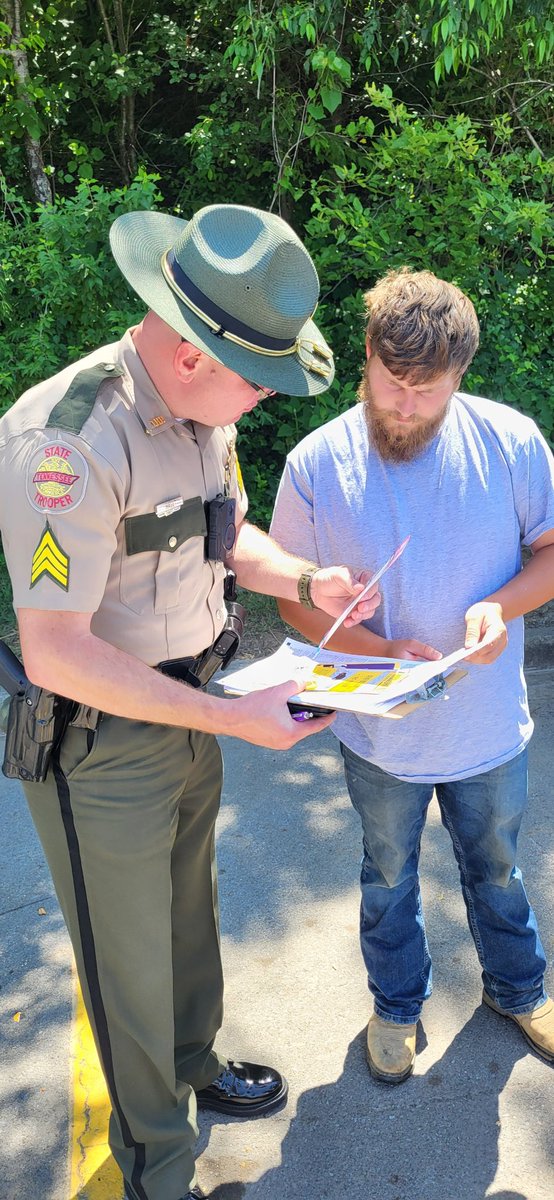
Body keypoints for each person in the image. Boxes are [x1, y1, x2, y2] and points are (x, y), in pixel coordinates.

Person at [0, 204, 381, 1200]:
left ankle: (194, 1066)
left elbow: (221, 539)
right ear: (187, 350)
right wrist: (232, 719)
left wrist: (305, 581)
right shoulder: (67, 440)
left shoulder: (205, 420)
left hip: (194, 710)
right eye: (258, 379)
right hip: (102, 746)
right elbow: (54, 652)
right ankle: (154, 1168)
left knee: (182, 917)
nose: (262, 398)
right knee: (125, 967)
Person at [270, 267, 554, 1085]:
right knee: (387, 875)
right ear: (364, 356)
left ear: (460, 376)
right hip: (377, 735)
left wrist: (499, 607)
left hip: (489, 726)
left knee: (497, 868)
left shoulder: (511, 441)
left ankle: (519, 988)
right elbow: (291, 600)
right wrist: (370, 647)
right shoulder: (316, 463)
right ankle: (396, 1005)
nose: (401, 405)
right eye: (389, 383)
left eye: (424, 392)